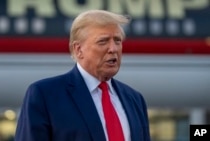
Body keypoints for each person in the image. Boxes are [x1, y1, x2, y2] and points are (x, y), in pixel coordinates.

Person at [15, 9, 151, 141]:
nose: (113, 49)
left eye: (117, 40)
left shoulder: (134, 99)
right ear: (78, 49)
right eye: (103, 41)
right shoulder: (45, 95)